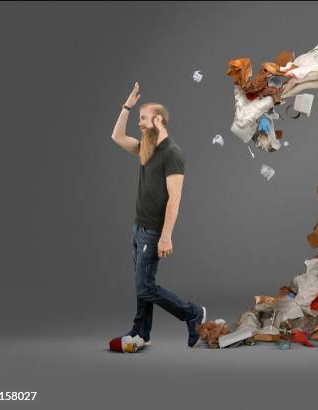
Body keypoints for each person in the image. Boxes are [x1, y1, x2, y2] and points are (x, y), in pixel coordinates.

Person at [110, 82, 206, 348]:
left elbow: (175, 199)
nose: (139, 124)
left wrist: (166, 236)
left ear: (158, 119)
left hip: (153, 231)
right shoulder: (146, 148)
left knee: (145, 287)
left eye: (143, 118)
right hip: (138, 228)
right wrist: (127, 107)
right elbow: (117, 137)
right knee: (143, 284)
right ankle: (141, 332)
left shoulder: (173, 154)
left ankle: (192, 313)